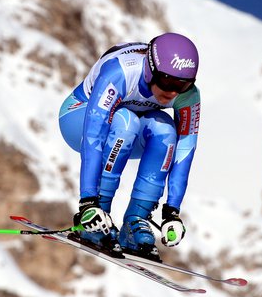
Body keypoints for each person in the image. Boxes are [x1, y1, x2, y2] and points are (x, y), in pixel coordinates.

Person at [58, 32, 200, 261]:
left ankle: (135, 223)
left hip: (125, 131)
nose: (173, 92)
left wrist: (172, 212)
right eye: (167, 82)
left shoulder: (189, 96)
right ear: (149, 70)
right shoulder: (121, 73)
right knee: (126, 121)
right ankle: (97, 216)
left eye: (183, 85)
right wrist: (88, 203)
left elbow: (185, 150)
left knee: (166, 130)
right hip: (78, 119)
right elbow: (94, 136)